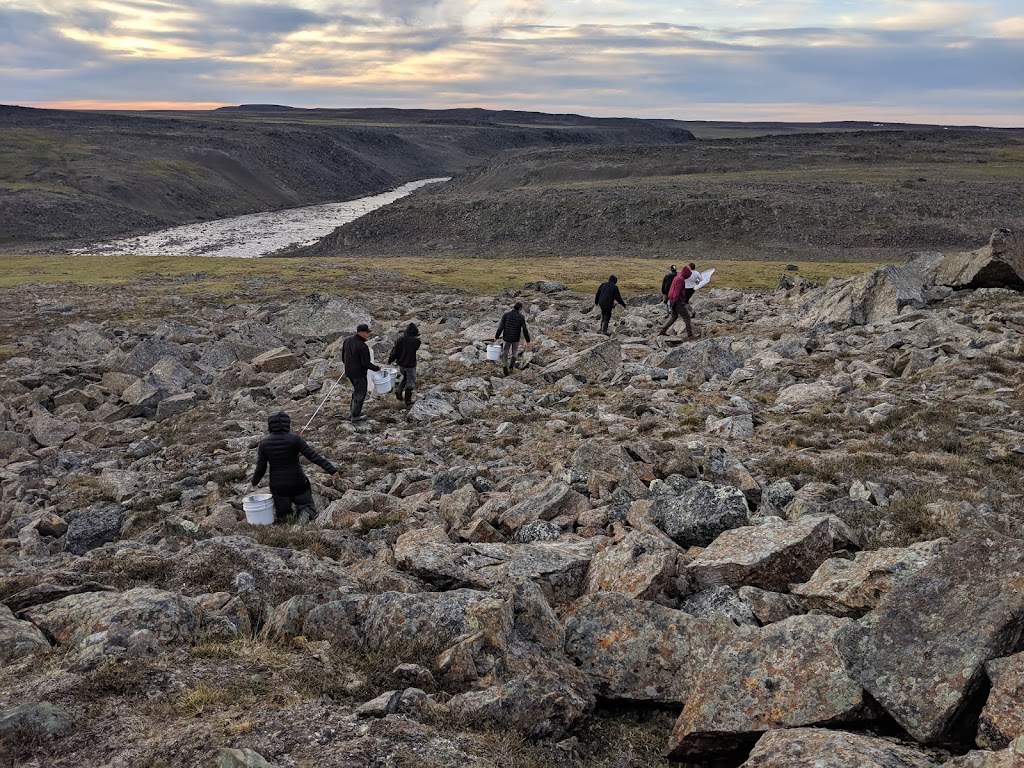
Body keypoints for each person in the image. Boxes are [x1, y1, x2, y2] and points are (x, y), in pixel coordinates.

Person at [251, 411, 339, 524]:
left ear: (270, 425)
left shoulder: (264, 443)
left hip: (279, 487)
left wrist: (254, 482)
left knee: (283, 515)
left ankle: (288, 520)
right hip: (299, 483)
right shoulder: (294, 439)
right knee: (306, 505)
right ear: (287, 424)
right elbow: (313, 456)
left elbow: (261, 468)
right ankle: (305, 515)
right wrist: (332, 470)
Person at [341, 323, 380, 421]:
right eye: (367, 333)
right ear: (361, 333)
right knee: (360, 394)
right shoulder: (363, 347)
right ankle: (355, 416)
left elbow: (343, 356)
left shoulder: (347, 341)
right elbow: (366, 363)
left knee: (356, 391)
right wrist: (377, 368)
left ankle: (353, 411)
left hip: (349, 372)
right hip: (359, 374)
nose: (368, 335)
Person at [388, 322, 421, 408]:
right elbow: (416, 347)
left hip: (401, 365)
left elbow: (394, 352)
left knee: (405, 378)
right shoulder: (416, 341)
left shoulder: (400, 339)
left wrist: (390, 360)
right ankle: (408, 401)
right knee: (410, 383)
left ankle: (399, 391)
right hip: (410, 365)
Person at [659, 266, 697, 339]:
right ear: (686, 274)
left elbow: (671, 289)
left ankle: (662, 331)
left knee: (674, 317)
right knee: (687, 317)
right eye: (688, 275)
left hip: (672, 300)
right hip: (677, 302)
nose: (688, 277)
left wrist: (671, 300)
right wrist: (677, 301)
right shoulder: (681, 279)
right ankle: (690, 335)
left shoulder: (677, 277)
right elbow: (677, 291)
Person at [495, 301, 531, 376]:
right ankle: (511, 368)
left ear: (513, 307)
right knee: (514, 353)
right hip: (516, 338)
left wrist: (496, 336)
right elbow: (525, 329)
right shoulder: (521, 317)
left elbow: (501, 327)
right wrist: (528, 340)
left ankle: (505, 365)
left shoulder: (506, 315)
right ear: (520, 308)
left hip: (506, 337)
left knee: (505, 351)